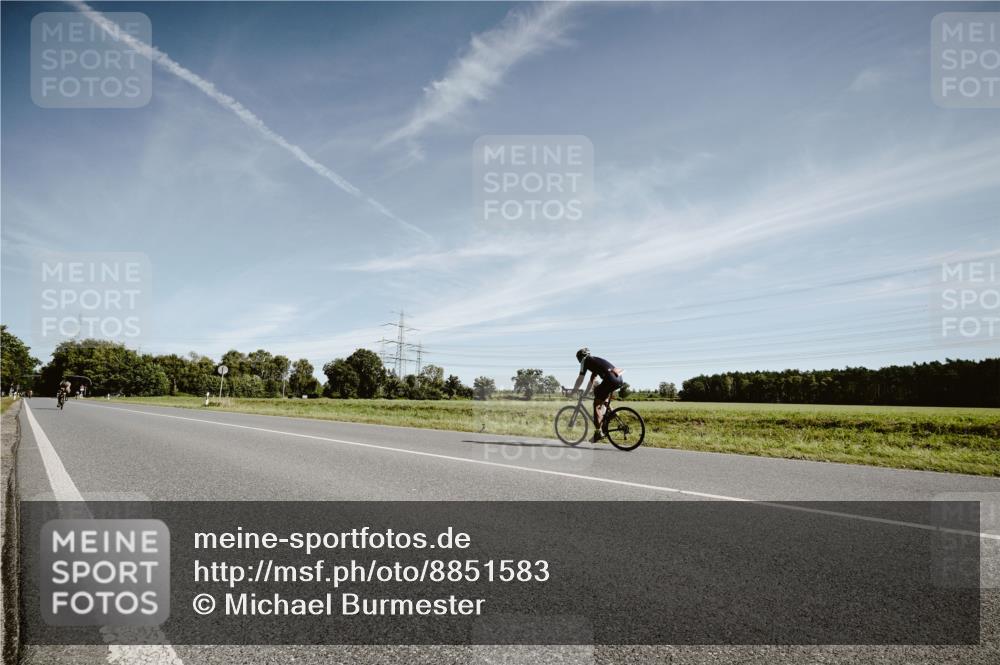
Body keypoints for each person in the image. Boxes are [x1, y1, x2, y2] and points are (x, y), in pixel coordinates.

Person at [570, 348, 623, 443]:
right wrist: (585, 393)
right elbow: (592, 380)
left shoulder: (584, 361)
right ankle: (612, 413)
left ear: (580, 357)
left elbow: (580, 379)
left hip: (610, 380)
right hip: (618, 379)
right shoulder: (595, 361)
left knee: (597, 404)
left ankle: (598, 432)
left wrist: (574, 391)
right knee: (599, 392)